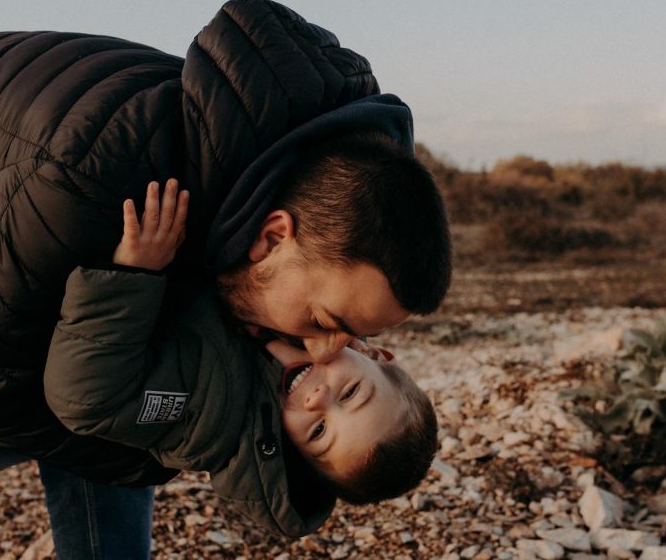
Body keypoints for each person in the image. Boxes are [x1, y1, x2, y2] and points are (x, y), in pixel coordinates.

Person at [0, 0, 452, 558]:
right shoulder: (105, 179)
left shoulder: (267, 189)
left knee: (107, 424)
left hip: (5, 209)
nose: (320, 350)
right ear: (272, 237)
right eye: (325, 321)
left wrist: (150, 417)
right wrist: (155, 444)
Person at [42, 181, 438, 537]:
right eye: (350, 393)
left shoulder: (215, 425)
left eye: (318, 432)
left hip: (26, 375)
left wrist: (132, 275)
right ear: (372, 352)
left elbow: (90, 399)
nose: (318, 401)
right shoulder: (310, 314)